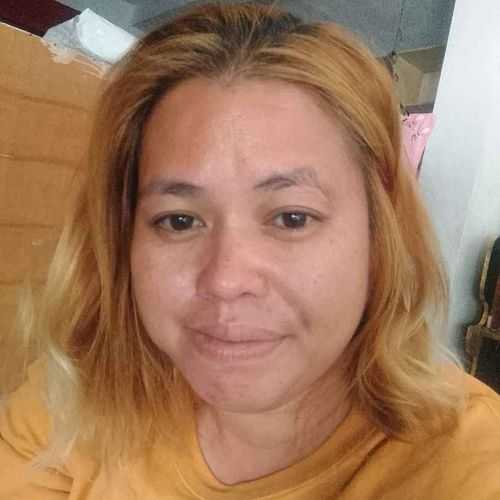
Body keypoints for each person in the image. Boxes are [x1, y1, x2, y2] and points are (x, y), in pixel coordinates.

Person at [1, 2, 499, 499]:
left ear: (379, 238)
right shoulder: (77, 396)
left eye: (292, 218)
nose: (226, 280)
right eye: (179, 221)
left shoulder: (462, 464)